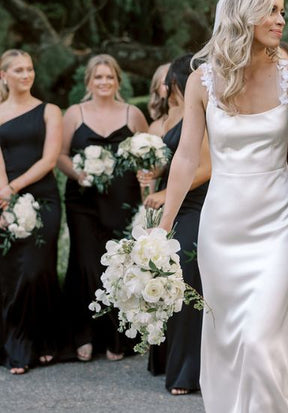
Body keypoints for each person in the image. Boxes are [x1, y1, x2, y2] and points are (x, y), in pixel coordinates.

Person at [159, 0, 288, 412]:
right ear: (244, 15)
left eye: (282, 11)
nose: (281, 20)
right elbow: (185, 159)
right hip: (222, 227)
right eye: (272, 11)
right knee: (229, 337)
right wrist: (161, 229)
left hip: (277, 221)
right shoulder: (202, 81)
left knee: (259, 338)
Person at [57, 54, 147, 363]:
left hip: (122, 201)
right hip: (83, 201)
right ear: (89, 82)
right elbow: (60, 155)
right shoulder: (74, 113)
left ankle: (116, 335)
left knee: (119, 265)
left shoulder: (133, 114)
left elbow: (147, 154)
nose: (104, 82)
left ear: (118, 81)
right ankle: (83, 334)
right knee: (85, 263)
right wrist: (78, 173)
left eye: (110, 77)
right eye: (98, 77)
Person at [142, 54, 210, 395]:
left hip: (195, 207)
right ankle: (167, 357)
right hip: (174, 206)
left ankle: (188, 371)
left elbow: (206, 167)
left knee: (186, 284)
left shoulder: (201, 113)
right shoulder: (176, 116)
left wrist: (167, 194)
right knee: (167, 281)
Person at [0, 49, 63, 375]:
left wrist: (13, 187)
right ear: (4, 76)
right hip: (5, 200)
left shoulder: (49, 111)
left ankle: (43, 341)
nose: (26, 75)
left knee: (37, 269)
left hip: (44, 199)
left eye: (29, 69)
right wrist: (3, 196)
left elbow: (49, 160)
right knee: (12, 272)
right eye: (19, 70)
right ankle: (17, 344)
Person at [147, 63, 170, 132]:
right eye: (165, 83)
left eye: (174, 82)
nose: (169, 87)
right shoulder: (154, 127)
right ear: (157, 89)